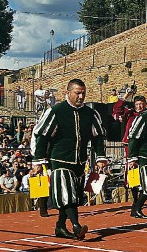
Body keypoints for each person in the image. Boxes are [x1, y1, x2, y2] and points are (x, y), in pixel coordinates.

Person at [31, 79, 108, 240]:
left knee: (72, 196)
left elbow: (98, 137)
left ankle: (60, 226)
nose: (81, 96)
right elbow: (42, 136)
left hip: (80, 162)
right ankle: (76, 225)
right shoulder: (56, 111)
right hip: (59, 160)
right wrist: (39, 160)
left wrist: (101, 157)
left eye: (83, 93)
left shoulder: (91, 113)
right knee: (68, 194)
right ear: (68, 93)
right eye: (77, 93)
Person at [112, 89, 147, 204]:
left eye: (141, 104)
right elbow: (117, 111)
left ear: (145, 104)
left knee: (145, 169)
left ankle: (145, 196)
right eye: (137, 104)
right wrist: (126, 96)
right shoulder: (130, 114)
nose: (139, 106)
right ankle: (135, 198)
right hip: (130, 146)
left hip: (144, 146)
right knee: (132, 169)